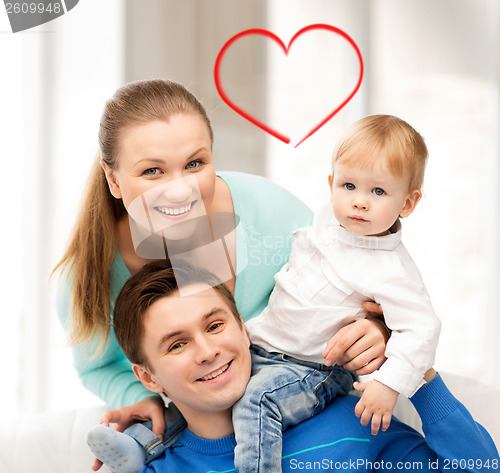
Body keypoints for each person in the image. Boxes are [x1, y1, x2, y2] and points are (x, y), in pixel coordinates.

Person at [53, 79, 389, 471]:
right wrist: (142, 398)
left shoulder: (273, 215)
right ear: (113, 179)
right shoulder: (87, 276)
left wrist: (377, 328)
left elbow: (369, 286)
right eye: (152, 171)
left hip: (303, 401)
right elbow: (96, 365)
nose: (179, 191)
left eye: (195, 164)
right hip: (205, 428)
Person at [109, 260, 498, 473]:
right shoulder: (154, 466)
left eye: (215, 325)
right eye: (177, 344)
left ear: (244, 330)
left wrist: (413, 368)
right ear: (147, 376)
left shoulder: (355, 421)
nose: (208, 351)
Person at [231, 115, 441, 473]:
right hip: (261, 345)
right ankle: (145, 442)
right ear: (331, 184)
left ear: (407, 203)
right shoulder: (328, 219)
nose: (359, 202)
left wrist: (388, 385)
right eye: (348, 186)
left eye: (378, 191)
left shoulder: (391, 270)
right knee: (207, 394)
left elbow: (422, 329)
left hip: (313, 369)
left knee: (257, 399)